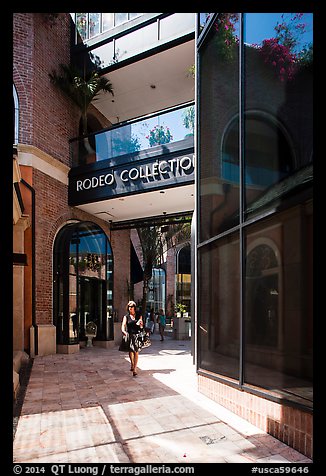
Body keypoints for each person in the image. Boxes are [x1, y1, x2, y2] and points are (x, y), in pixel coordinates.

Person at [121, 300, 144, 376]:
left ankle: (135, 369)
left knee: (136, 352)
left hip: (137, 335)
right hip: (130, 335)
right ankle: (132, 363)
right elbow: (123, 326)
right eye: (129, 307)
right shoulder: (126, 317)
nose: (130, 308)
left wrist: (141, 325)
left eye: (132, 307)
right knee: (131, 352)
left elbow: (141, 326)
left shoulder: (138, 315)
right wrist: (124, 332)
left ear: (134, 307)